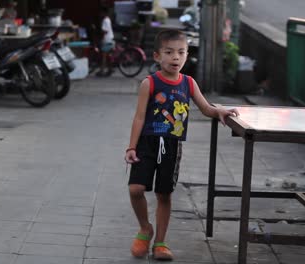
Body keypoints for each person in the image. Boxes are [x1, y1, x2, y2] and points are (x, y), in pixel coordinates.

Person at [124, 29, 239, 260]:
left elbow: (206, 108)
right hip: (147, 144)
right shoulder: (149, 83)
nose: (176, 57)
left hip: (172, 146)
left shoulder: (189, 83)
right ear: (157, 56)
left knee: (164, 194)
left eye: (181, 52)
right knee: (135, 189)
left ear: (186, 55)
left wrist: (220, 112)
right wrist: (131, 147)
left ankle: (160, 242)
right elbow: (139, 117)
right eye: (169, 52)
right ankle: (145, 228)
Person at [97, 6, 114, 77]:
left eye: (101, 12)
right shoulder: (108, 19)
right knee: (108, 56)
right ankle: (110, 69)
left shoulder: (105, 20)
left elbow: (105, 31)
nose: (100, 14)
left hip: (107, 40)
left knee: (103, 56)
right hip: (110, 39)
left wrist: (102, 39)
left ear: (104, 12)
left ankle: (102, 71)